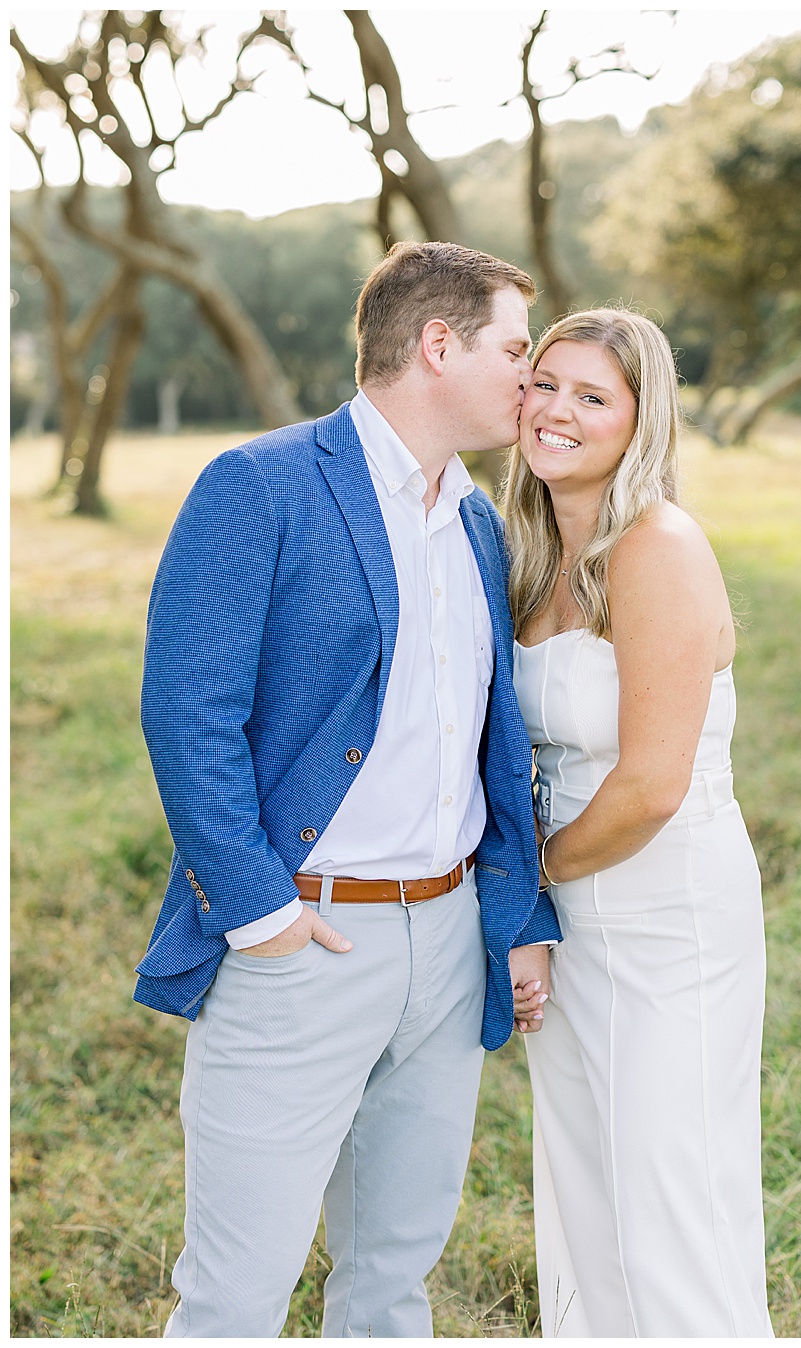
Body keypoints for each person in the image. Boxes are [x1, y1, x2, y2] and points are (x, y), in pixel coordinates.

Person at [134, 241, 561, 1336]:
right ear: (436, 344)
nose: (532, 376)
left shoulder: (476, 520)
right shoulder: (261, 485)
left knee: (390, 1287)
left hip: (448, 941)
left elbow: (486, 744)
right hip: (304, 943)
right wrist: (264, 915)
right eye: (515, 350)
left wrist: (508, 915)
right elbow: (190, 717)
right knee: (236, 1294)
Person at [503, 309, 773, 1337]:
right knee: (586, 1186)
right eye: (544, 382)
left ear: (638, 420)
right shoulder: (531, 551)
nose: (557, 410)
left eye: (592, 396)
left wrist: (530, 886)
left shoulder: (656, 546)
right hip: (571, 916)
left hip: (664, 911)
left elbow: (653, 783)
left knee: (670, 1195)